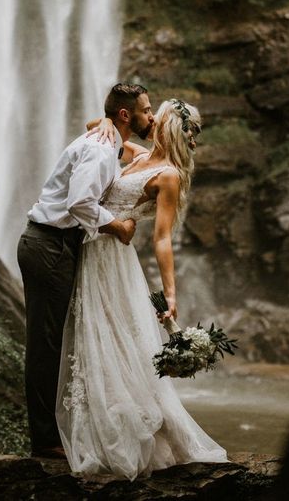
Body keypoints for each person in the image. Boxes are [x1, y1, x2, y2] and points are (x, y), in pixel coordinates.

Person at [56, 99, 227, 479]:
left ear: (168, 126)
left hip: (114, 259)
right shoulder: (135, 153)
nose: (150, 120)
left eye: (158, 116)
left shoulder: (169, 175)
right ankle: (109, 429)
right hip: (93, 250)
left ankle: (136, 433)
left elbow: (163, 239)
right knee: (100, 338)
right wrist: (104, 120)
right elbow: (94, 125)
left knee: (117, 338)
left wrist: (171, 294)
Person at [17, 83, 155, 458]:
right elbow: (80, 203)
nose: (151, 114)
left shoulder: (108, 143)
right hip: (49, 245)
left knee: (57, 340)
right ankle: (44, 440)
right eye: (146, 109)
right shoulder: (99, 149)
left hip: (57, 246)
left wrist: (107, 124)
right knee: (46, 344)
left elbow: (108, 131)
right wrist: (119, 227)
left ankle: (59, 431)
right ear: (126, 115)